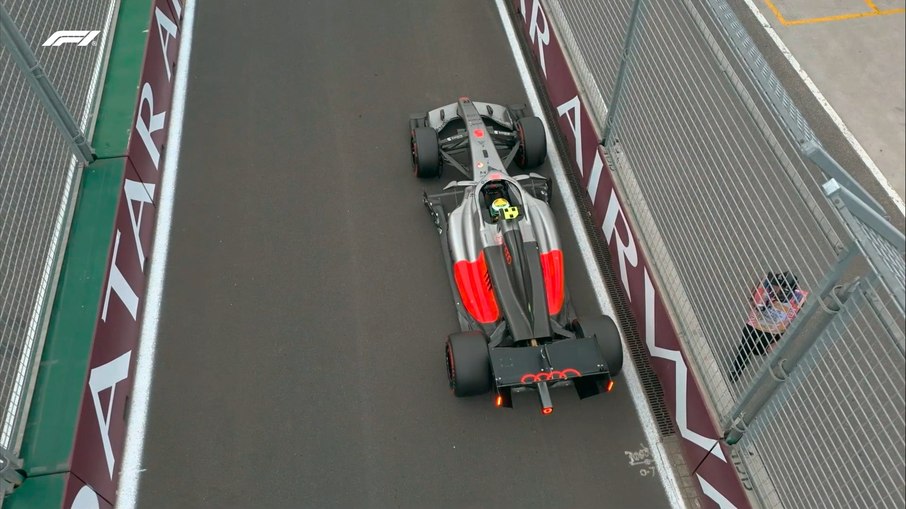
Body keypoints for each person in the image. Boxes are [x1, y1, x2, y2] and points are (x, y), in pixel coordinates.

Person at [728, 272, 808, 382]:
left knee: (758, 351)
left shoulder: (798, 300)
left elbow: (794, 323)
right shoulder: (768, 284)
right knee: (745, 345)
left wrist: (777, 342)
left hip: (773, 330)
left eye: (778, 287)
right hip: (756, 322)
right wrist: (753, 301)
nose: (774, 288)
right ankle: (737, 368)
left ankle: (748, 354)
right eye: (775, 285)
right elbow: (754, 293)